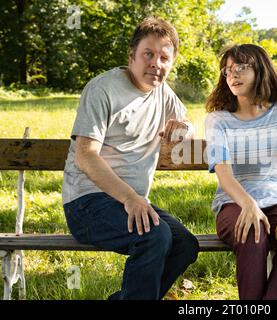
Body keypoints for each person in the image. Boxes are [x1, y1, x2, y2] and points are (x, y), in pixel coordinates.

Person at [62, 17, 199, 300]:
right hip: (86, 203)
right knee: (155, 236)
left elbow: (186, 122)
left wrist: (184, 129)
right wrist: (130, 198)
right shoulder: (103, 89)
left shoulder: (163, 92)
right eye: (148, 54)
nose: (156, 63)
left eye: (164, 57)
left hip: (130, 202)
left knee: (185, 244)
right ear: (132, 56)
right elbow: (86, 156)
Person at [204, 44, 277, 300]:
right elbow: (224, 176)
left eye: (241, 67)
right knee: (252, 232)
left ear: (260, 70)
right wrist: (249, 204)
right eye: (227, 70)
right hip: (233, 204)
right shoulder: (218, 120)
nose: (232, 75)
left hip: (274, 201)